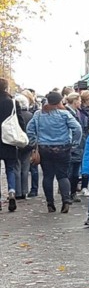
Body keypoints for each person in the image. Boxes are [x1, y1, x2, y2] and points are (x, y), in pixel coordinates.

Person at [26, 91, 82, 213]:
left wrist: (34, 141)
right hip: (63, 147)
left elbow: (29, 129)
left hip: (44, 148)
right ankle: (66, 200)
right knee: (62, 175)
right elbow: (77, 128)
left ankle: (50, 203)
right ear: (59, 102)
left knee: (48, 176)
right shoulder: (65, 114)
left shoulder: (38, 114)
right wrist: (75, 143)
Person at [0, 79, 26, 212]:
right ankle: (11, 191)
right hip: (9, 140)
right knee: (10, 168)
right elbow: (20, 122)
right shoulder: (13, 102)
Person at [65, 92, 88, 202]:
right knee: (69, 171)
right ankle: (68, 193)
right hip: (71, 146)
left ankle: (73, 193)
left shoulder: (78, 112)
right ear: (75, 101)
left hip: (79, 146)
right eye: (79, 100)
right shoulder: (67, 113)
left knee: (75, 172)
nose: (80, 102)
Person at [14, 94, 33, 200]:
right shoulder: (30, 115)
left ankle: (17, 191)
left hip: (16, 143)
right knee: (25, 168)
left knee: (16, 167)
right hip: (28, 144)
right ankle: (24, 191)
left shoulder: (14, 115)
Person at [23, 89, 40, 197]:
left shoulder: (35, 111)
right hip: (24, 140)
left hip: (32, 140)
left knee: (33, 165)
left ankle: (34, 188)